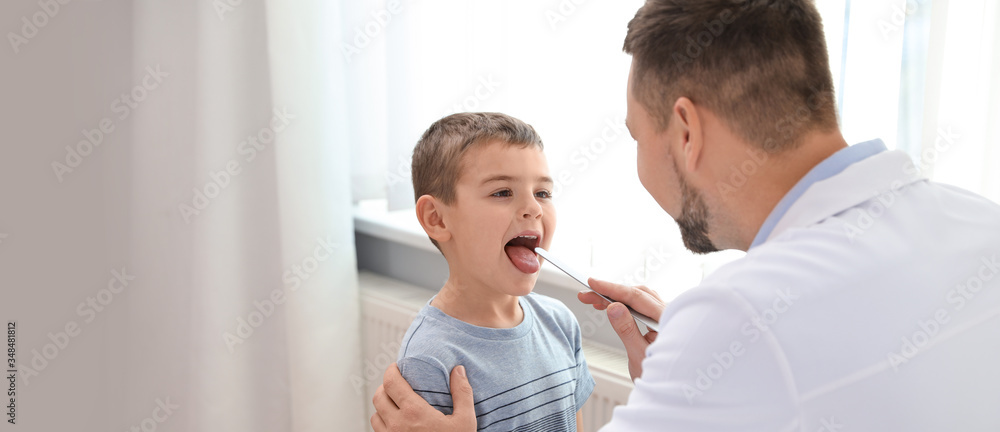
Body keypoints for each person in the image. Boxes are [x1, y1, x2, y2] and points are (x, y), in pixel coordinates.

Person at [371, 0, 1000, 430]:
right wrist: (693, 380)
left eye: (637, 137)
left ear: (686, 130)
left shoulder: (738, 316)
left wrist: (703, 362)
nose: (532, 207)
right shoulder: (981, 226)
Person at [389, 112, 595, 432]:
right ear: (437, 219)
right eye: (502, 192)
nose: (534, 208)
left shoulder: (560, 323)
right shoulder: (430, 360)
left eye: (542, 193)